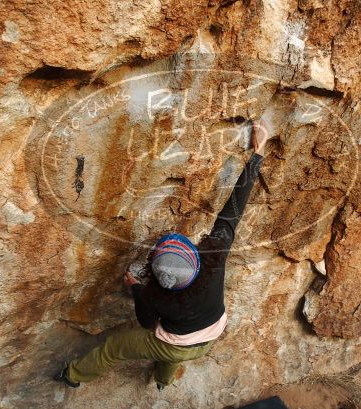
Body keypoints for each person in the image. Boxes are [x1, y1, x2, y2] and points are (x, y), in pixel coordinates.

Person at [55, 118, 272, 390]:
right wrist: (258, 152)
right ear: (194, 260)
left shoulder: (154, 296)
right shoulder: (214, 260)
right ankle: (163, 380)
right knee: (174, 347)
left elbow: (147, 323)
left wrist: (135, 288)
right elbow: (233, 211)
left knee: (114, 348)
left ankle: (72, 375)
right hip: (209, 336)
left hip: (175, 344)